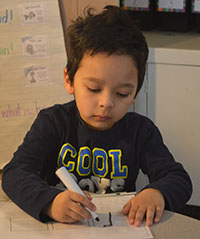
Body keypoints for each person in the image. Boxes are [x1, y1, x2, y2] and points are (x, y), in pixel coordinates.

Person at [2, 5, 192, 227]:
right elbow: (14, 173)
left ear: (135, 93)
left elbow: (179, 179)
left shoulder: (141, 131)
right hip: (60, 229)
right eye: (93, 88)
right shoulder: (53, 122)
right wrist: (50, 202)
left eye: (122, 93)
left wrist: (156, 193)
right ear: (69, 80)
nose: (106, 103)